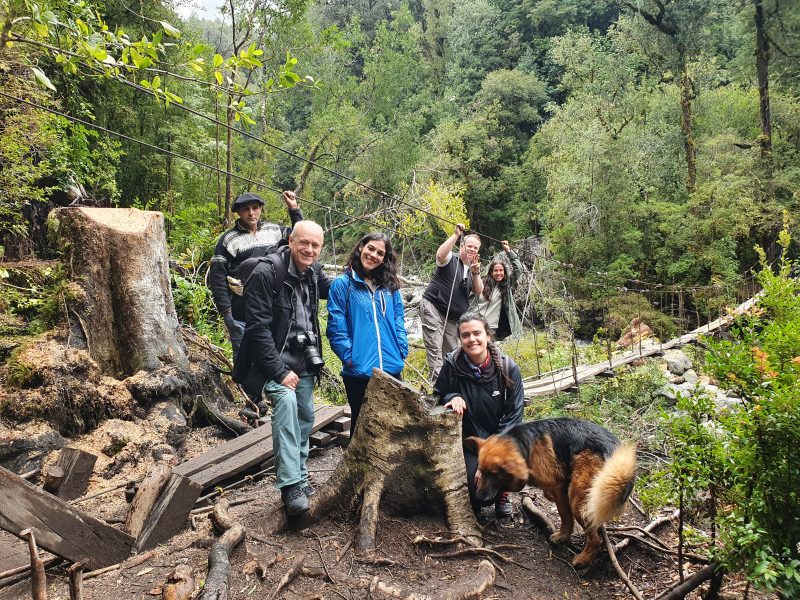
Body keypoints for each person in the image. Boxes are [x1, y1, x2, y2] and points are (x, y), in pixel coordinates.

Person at [232, 220, 332, 516]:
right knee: (286, 406)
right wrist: (278, 371)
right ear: (290, 240)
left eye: (315, 245)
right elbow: (257, 329)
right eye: (304, 243)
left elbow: (329, 299)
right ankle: (290, 486)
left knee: (305, 416)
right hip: (271, 364)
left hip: (302, 361)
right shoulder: (267, 272)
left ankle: (299, 476)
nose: (309, 249)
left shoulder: (312, 274)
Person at [434, 312, 524, 517]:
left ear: (488, 336)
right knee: (478, 498)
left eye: (477, 333)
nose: (472, 339)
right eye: (465, 335)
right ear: (460, 339)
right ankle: (484, 493)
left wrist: (488, 458)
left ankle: (503, 493)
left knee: (520, 474)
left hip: (500, 440)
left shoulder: (509, 369)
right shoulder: (452, 364)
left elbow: (514, 416)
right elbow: (437, 395)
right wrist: (453, 395)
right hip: (468, 442)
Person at [326, 233, 408, 434]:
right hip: (359, 370)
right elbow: (336, 327)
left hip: (391, 366)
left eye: (380, 253)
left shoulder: (390, 287)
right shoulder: (342, 285)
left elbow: (398, 318)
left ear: (385, 258)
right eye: (371, 248)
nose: (374, 255)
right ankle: (356, 465)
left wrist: (401, 347)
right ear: (361, 247)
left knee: (393, 423)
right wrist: (349, 356)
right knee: (361, 425)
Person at [209, 190, 302, 355]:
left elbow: (301, 236)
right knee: (244, 356)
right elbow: (217, 277)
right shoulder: (228, 239)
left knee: (272, 353)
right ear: (238, 212)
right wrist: (227, 312)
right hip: (241, 309)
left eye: (255, 207)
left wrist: (294, 209)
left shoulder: (274, 230)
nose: (251, 213)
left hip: (273, 306)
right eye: (245, 209)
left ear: (260, 209)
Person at [419, 224, 483, 382]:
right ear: (462, 246)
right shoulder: (451, 258)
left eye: (475, 248)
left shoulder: (472, 269)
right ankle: (438, 389)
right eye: (469, 246)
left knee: (453, 353)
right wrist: (455, 235)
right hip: (433, 307)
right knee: (435, 348)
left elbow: (478, 290)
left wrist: (475, 273)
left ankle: (452, 385)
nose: (472, 250)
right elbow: (440, 255)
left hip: (452, 319)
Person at [471, 241, 524, 341]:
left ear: (504, 272)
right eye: (495, 270)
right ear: (491, 272)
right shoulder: (481, 282)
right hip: (475, 324)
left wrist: (508, 251)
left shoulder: (505, 285)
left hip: (492, 328)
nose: (498, 273)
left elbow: (519, 270)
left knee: (488, 353)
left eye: (501, 271)